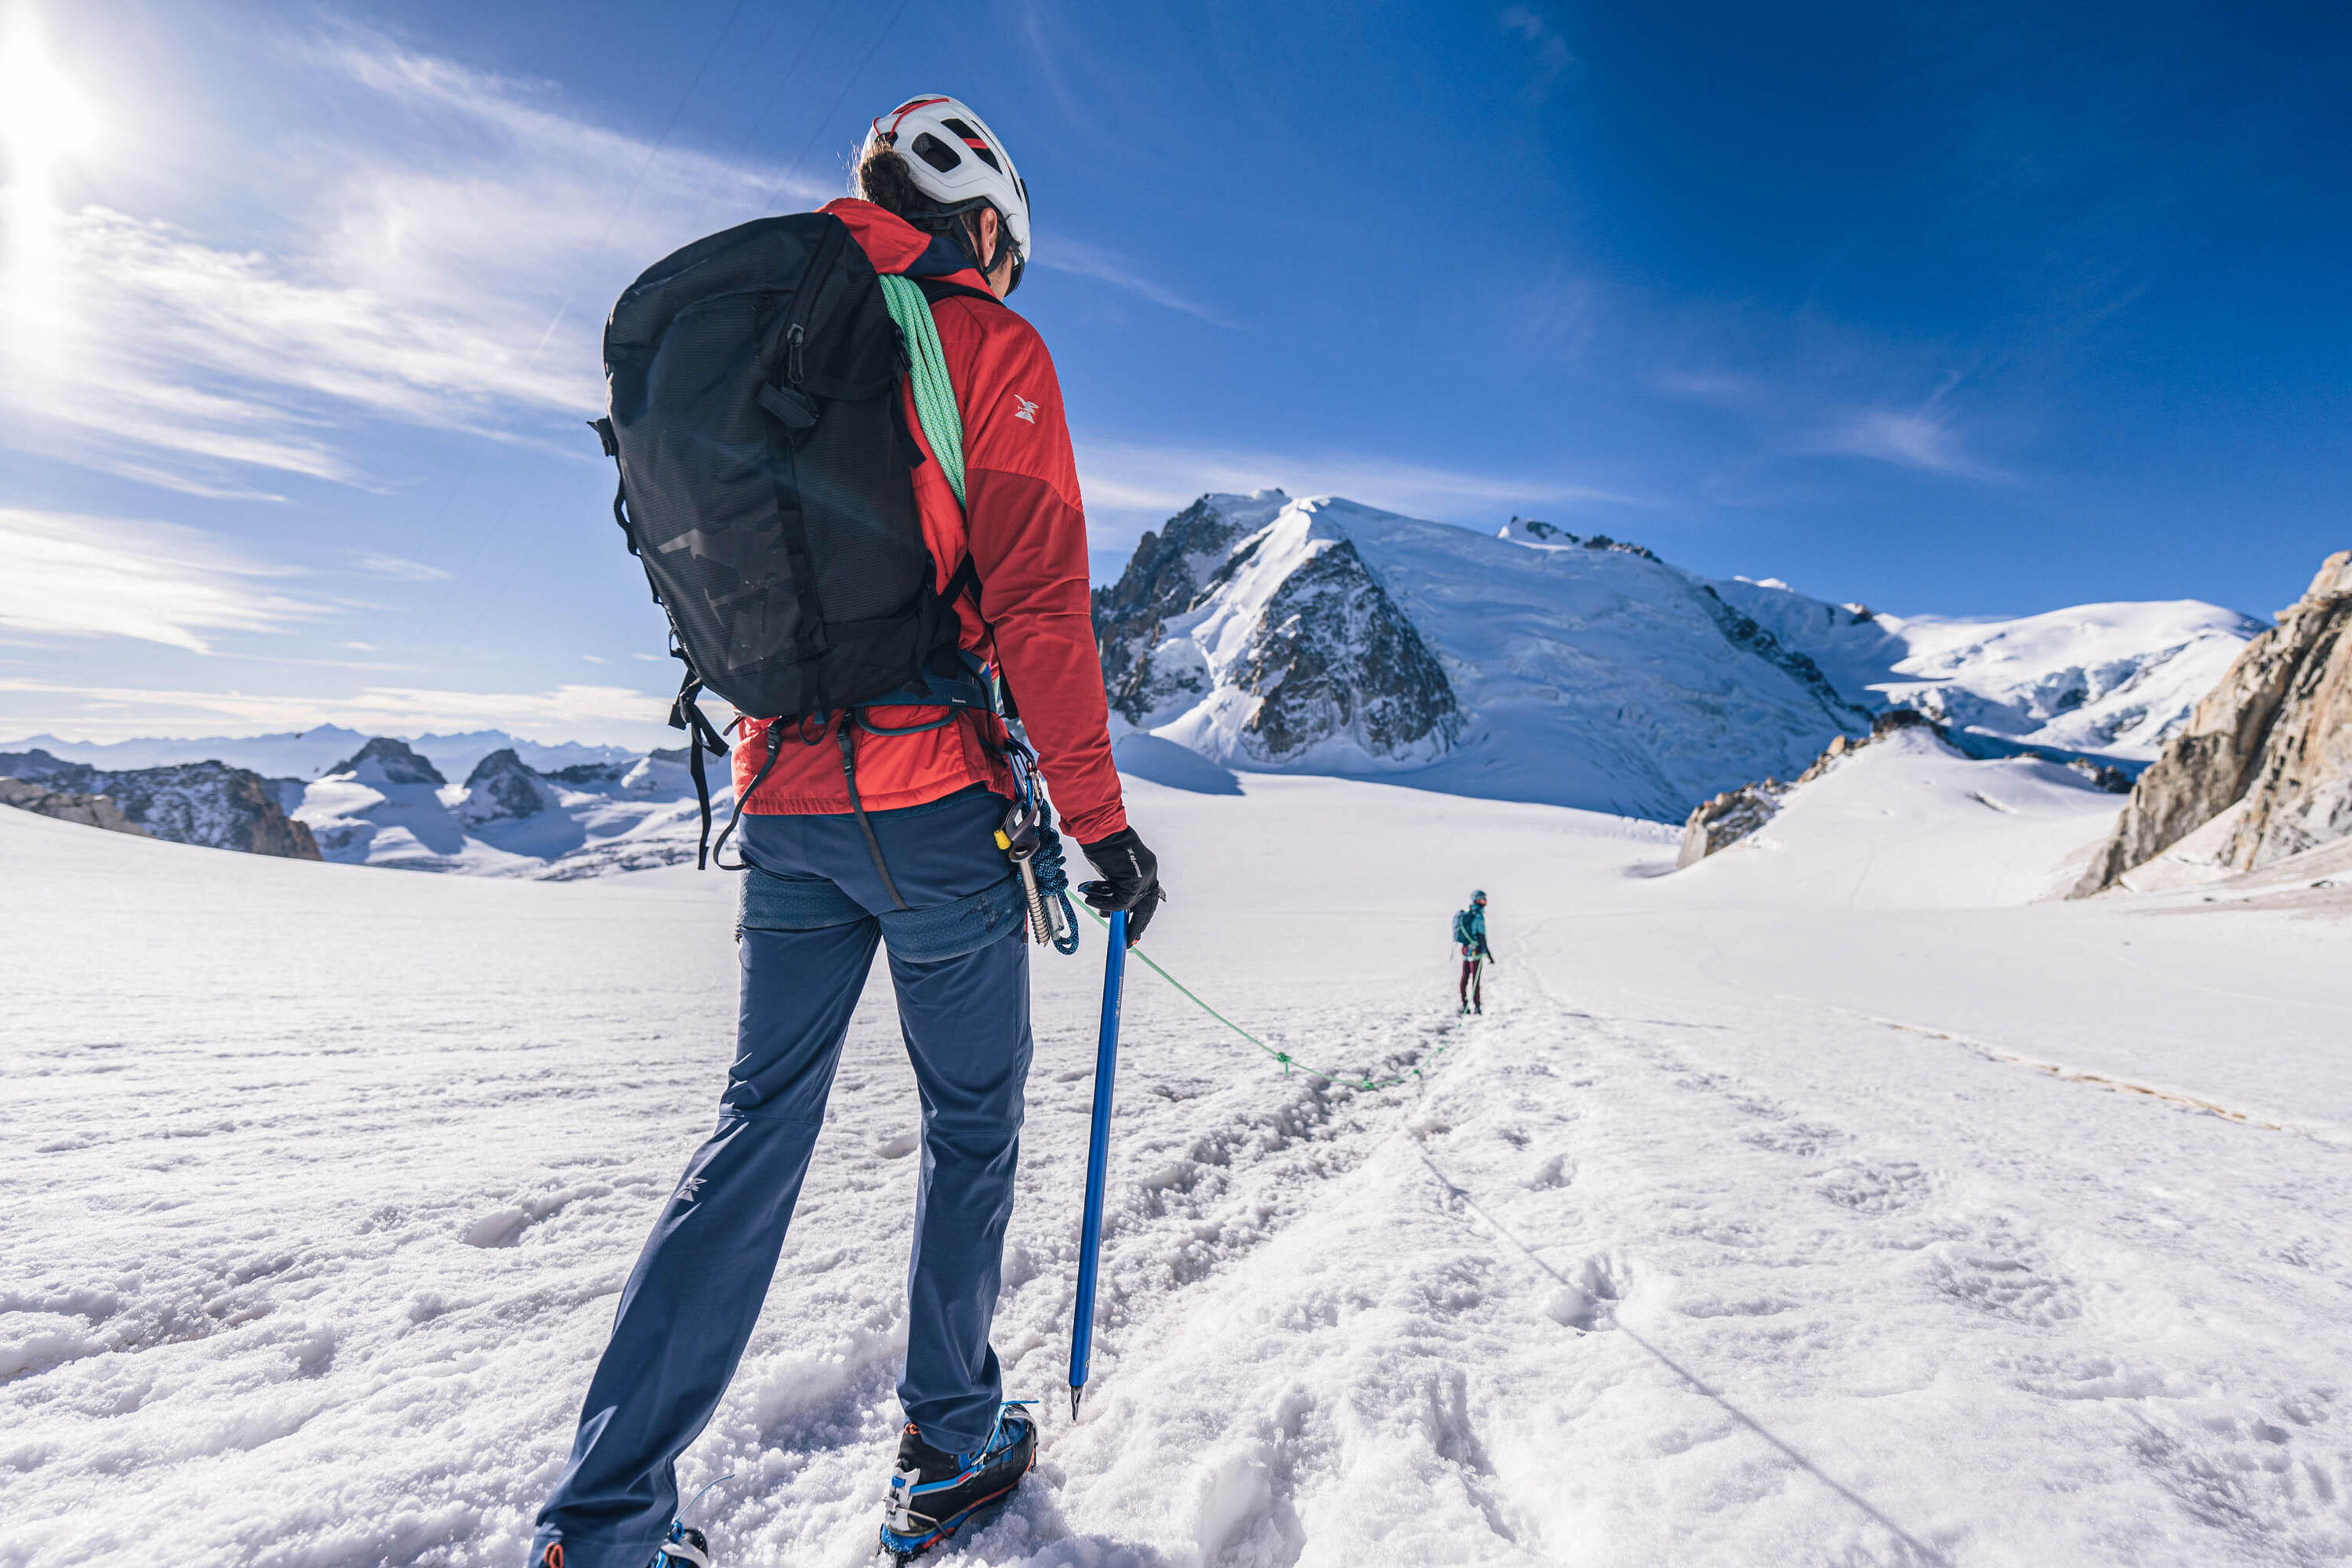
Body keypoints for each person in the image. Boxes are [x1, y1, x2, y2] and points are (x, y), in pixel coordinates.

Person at [529, 95, 1165, 1568]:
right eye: (1008, 251)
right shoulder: (978, 340)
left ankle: (608, 1520)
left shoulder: (765, 319)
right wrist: (1103, 828)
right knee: (969, 1124)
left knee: (758, 1129)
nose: (1008, 278)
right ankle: (949, 1447)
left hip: (788, 799)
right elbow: (1041, 609)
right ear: (983, 221)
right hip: (937, 804)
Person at [1453, 890, 1494, 1014]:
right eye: (1483, 899)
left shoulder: (1469, 915)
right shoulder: (1478, 917)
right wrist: (1488, 955)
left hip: (1466, 950)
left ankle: (1465, 1004)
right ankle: (1476, 1006)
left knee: (1465, 977)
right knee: (1475, 978)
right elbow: (1481, 937)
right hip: (1475, 951)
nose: (1485, 902)